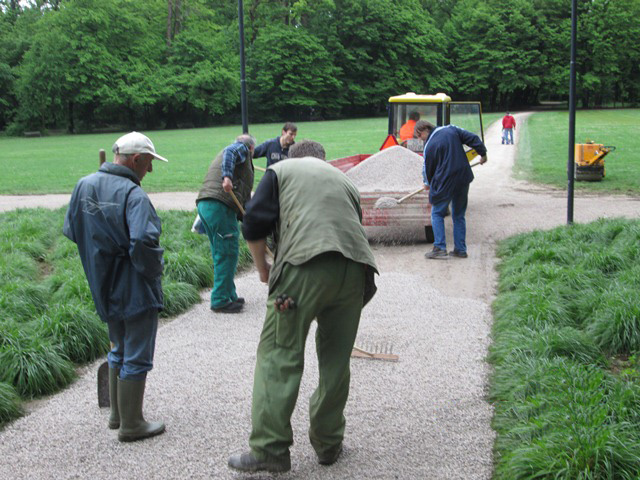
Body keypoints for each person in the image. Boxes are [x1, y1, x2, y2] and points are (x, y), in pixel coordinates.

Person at [228, 141, 378, 473]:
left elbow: (253, 222)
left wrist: (263, 269)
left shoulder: (280, 170)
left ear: (294, 158)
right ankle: (328, 444)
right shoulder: (344, 180)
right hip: (355, 272)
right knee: (336, 361)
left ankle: (269, 449)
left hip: (303, 272)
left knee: (279, 353)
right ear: (322, 160)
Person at [63, 131, 168, 442]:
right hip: (133, 284)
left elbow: (73, 231)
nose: (150, 170)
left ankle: (117, 414)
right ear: (135, 160)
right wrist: (153, 271)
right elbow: (143, 242)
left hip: (101, 281)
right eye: (149, 163)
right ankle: (132, 424)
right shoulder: (134, 195)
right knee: (137, 352)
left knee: (118, 346)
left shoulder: (84, 185)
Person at [196, 134, 256, 313]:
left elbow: (243, 199)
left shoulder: (234, 160)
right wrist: (227, 177)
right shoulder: (240, 148)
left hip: (207, 205)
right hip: (219, 206)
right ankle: (220, 299)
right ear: (251, 149)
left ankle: (229, 294)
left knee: (221, 252)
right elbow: (232, 151)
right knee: (227, 253)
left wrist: (249, 221)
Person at [416, 121, 488, 259]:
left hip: (445, 182)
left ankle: (439, 248)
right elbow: (473, 138)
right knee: (458, 215)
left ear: (425, 129)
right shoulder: (452, 129)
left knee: (436, 213)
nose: (420, 139)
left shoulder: (429, 145)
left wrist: (427, 183)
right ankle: (460, 250)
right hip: (462, 177)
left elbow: (427, 168)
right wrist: (483, 154)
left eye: (419, 135)